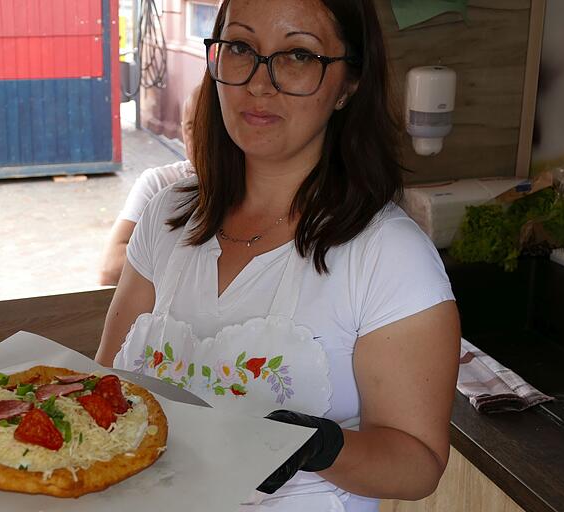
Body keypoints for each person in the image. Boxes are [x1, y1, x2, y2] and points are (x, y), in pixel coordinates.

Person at [95, 0, 461, 511]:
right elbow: (107, 386)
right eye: (241, 48)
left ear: (349, 85)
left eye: (298, 56)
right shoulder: (166, 217)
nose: (259, 83)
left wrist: (321, 445)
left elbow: (417, 464)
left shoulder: (388, 255)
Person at [97, 87, 200, 286]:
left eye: (214, 129)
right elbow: (111, 268)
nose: (203, 140)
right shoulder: (160, 183)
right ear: (183, 132)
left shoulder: (259, 187)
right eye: (192, 128)